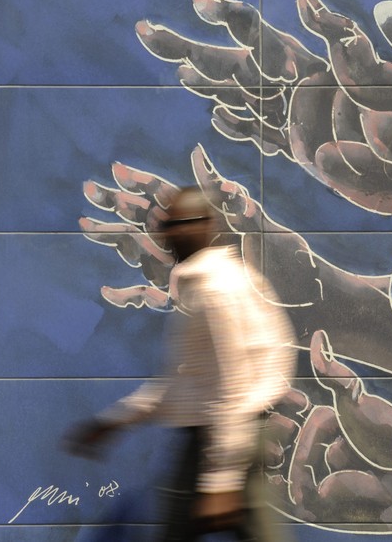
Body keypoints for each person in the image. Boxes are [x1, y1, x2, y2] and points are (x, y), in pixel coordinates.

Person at [64, 187, 297, 541]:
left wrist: (220, 479)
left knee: (182, 529)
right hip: (233, 434)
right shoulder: (225, 280)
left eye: (179, 225)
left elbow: (230, 385)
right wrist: (115, 422)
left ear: (205, 227)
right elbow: (184, 381)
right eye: (168, 226)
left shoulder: (212, 290)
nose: (169, 234)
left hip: (219, 437)